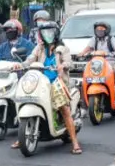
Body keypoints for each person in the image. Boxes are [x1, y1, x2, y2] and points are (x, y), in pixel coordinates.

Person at [13, 21, 83, 154]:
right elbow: (30, 59)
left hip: (56, 83)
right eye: (45, 33)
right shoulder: (39, 48)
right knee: (24, 99)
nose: (47, 35)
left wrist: (63, 66)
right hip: (40, 82)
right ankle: (21, 137)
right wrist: (20, 65)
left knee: (64, 110)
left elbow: (69, 62)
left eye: (50, 32)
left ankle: (74, 142)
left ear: (56, 33)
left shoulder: (63, 48)